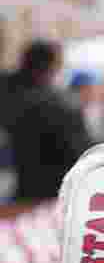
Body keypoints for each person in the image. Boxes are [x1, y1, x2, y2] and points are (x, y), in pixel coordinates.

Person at [0, 39, 94, 208]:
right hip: (47, 193)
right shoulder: (60, 105)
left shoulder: (7, 91)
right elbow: (79, 151)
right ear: (52, 66)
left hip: (19, 189)